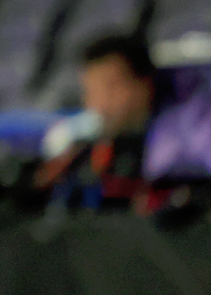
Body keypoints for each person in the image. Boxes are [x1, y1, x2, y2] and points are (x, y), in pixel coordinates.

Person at [37, 34, 154, 201]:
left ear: (144, 83)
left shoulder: (179, 149)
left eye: (111, 88)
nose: (100, 103)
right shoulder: (86, 147)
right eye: (91, 92)